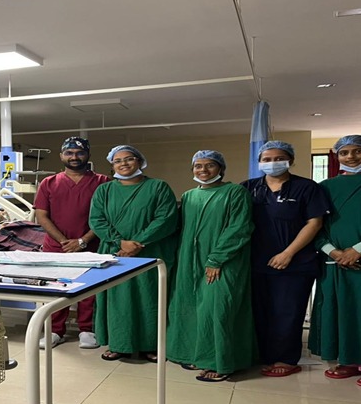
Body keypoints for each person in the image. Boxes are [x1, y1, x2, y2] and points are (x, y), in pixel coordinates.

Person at [240, 140, 330, 377]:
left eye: (279, 158)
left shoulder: (307, 188)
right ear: (259, 162)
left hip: (295, 263)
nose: (272, 163)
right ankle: (262, 355)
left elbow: (314, 223)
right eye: (267, 159)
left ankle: (286, 359)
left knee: (287, 312)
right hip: (256, 261)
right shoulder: (248, 188)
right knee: (259, 311)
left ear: (291, 160)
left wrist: (288, 253)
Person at [167, 150, 255, 382]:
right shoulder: (189, 196)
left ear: (221, 169)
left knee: (218, 309)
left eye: (210, 165)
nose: (203, 170)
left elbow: (239, 227)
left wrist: (217, 258)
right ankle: (196, 354)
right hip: (189, 261)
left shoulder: (235, 192)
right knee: (190, 307)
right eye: (198, 166)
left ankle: (221, 363)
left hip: (224, 260)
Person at [89, 145, 178, 363]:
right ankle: (118, 344)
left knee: (149, 298)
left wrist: (139, 243)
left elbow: (165, 218)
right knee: (117, 299)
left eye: (129, 159)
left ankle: (151, 344)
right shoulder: (104, 191)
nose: (124, 164)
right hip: (115, 252)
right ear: (112, 165)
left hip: (149, 252)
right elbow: (97, 220)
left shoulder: (158, 187)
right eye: (118, 161)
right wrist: (120, 242)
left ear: (140, 161)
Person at [34, 136, 109, 349]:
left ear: (88, 155)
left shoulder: (103, 182)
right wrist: (64, 241)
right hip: (57, 247)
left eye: (79, 153)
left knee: (89, 288)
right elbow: (42, 216)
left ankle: (87, 329)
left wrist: (83, 241)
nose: (74, 157)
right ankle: (55, 330)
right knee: (57, 289)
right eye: (69, 153)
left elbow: (107, 216)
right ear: (61, 156)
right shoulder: (48, 183)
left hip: (91, 246)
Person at [308, 135, 361, 384]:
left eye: (357, 151)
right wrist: (334, 252)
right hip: (335, 262)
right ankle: (348, 359)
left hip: (356, 257)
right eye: (344, 152)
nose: (351, 157)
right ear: (336, 155)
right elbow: (315, 226)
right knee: (342, 310)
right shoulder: (324, 187)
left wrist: (357, 250)